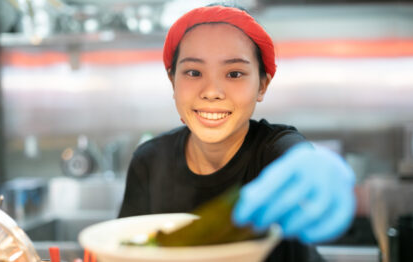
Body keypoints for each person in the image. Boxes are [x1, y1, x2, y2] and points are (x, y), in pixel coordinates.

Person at [119, 4, 356, 261]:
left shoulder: (274, 150)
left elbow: (297, 157)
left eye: (234, 73)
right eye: (193, 72)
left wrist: (321, 165)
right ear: (172, 80)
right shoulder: (149, 161)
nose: (211, 91)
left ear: (262, 85)